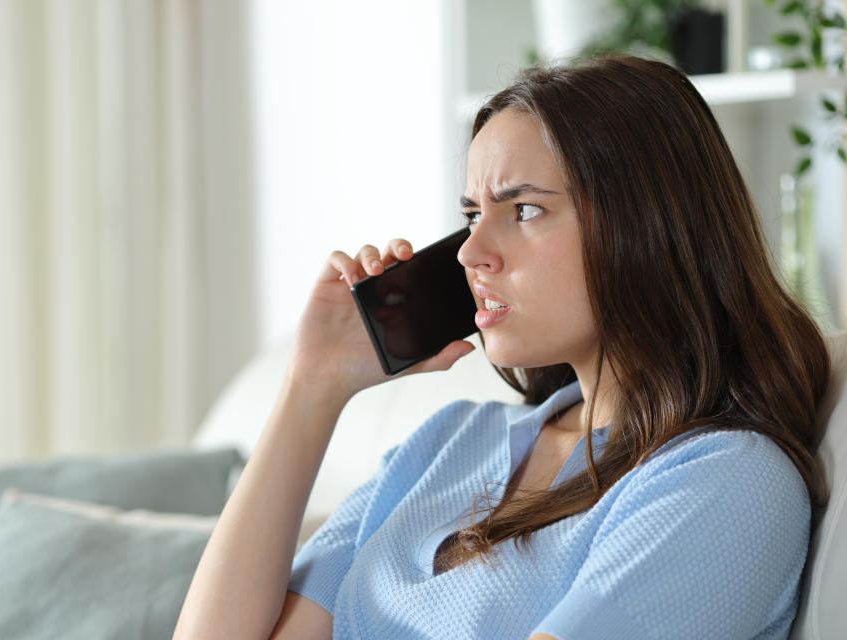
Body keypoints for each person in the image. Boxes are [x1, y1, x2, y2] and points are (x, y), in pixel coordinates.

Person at [173, 55, 830, 639]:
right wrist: (313, 388)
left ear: (647, 227)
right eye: (470, 214)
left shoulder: (725, 480)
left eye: (523, 210)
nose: (470, 252)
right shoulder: (449, 443)